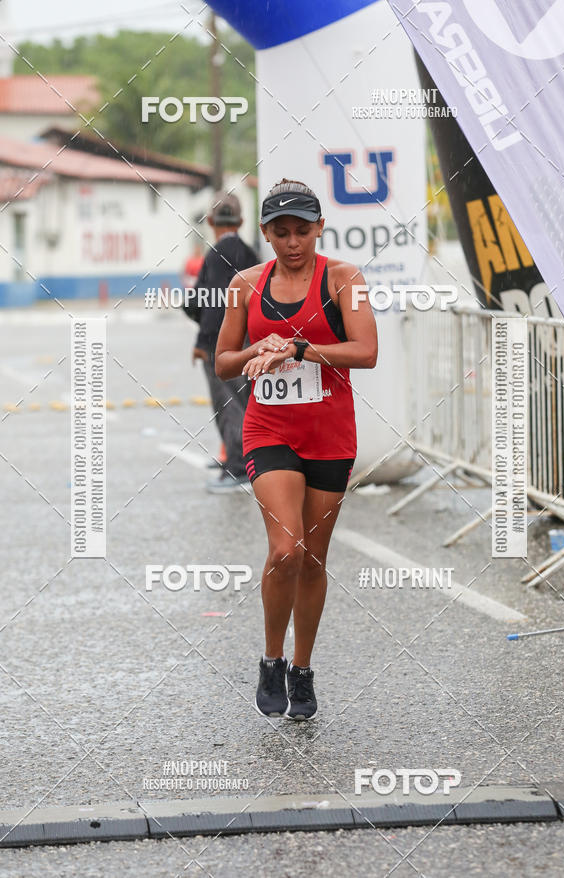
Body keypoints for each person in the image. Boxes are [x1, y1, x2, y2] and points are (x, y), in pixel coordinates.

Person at [215, 179, 377, 719]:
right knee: (285, 549)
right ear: (264, 233)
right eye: (280, 233)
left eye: (301, 231)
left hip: (329, 434)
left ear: (319, 228)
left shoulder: (343, 279)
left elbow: (366, 351)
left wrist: (302, 348)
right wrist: (256, 350)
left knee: (312, 559)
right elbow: (222, 362)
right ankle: (271, 659)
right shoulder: (244, 284)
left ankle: (303, 670)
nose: (291, 243)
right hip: (269, 430)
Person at [183, 192, 258, 493]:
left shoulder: (215, 255)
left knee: (228, 404)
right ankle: (247, 462)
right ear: (240, 221)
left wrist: (203, 342)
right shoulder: (250, 253)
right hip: (249, 339)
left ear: (212, 221)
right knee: (246, 402)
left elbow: (211, 302)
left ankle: (238, 468)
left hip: (222, 344)